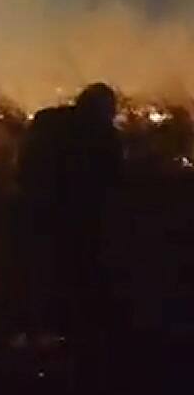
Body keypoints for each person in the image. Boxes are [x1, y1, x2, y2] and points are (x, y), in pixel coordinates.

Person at [16, 82, 122, 339]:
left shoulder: (48, 120)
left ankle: (42, 330)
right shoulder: (104, 134)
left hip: (39, 209)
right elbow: (112, 177)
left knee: (41, 271)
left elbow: (25, 159)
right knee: (77, 270)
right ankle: (73, 331)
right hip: (77, 215)